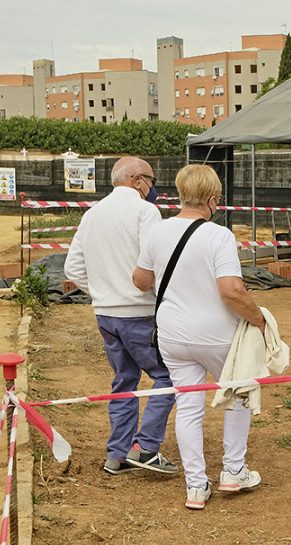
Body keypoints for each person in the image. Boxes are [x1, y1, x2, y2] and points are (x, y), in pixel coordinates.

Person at [133, 164, 267, 510]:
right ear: (211, 199)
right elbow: (232, 290)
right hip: (217, 334)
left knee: (188, 406)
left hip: (173, 334)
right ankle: (233, 470)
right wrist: (259, 320)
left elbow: (140, 280)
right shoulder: (218, 235)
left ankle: (196, 485)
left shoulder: (157, 232)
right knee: (237, 394)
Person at [63, 156, 178, 476]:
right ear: (138, 180)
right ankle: (146, 447)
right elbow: (154, 262)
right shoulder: (146, 212)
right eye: (152, 182)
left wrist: (102, 293)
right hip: (139, 313)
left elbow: (72, 268)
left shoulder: (92, 214)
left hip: (106, 314)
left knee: (124, 380)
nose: (153, 189)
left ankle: (117, 454)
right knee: (167, 376)